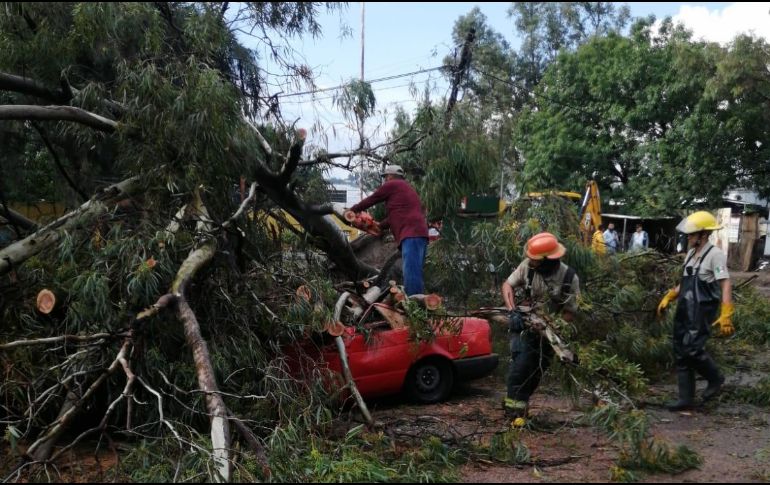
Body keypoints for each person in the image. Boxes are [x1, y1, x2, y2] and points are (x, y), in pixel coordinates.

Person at [657, 211, 733, 411]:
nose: (688, 237)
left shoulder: (715, 255)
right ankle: (686, 399)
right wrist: (670, 296)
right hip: (685, 307)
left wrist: (726, 313)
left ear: (703, 235)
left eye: (692, 234)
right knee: (681, 350)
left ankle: (715, 378)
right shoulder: (690, 254)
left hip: (702, 308)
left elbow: (725, 283)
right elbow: (685, 282)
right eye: (688, 234)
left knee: (692, 348)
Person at [500, 232, 580, 419]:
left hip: (549, 333)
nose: (530, 261)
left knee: (535, 373)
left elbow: (570, 312)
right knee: (519, 369)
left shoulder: (569, 278)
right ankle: (514, 414)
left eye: (535, 259)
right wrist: (512, 311)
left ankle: (520, 409)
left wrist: (552, 326)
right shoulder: (527, 266)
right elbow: (507, 285)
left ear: (548, 260)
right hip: (524, 326)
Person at [348, 165, 429, 296]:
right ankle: (417, 303)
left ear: (390, 176)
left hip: (411, 235)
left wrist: (353, 210)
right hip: (418, 234)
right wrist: (379, 226)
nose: (385, 180)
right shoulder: (405, 191)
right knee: (414, 271)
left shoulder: (393, 185)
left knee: (411, 272)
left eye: (385, 177)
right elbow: (393, 218)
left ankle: (413, 306)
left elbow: (373, 198)